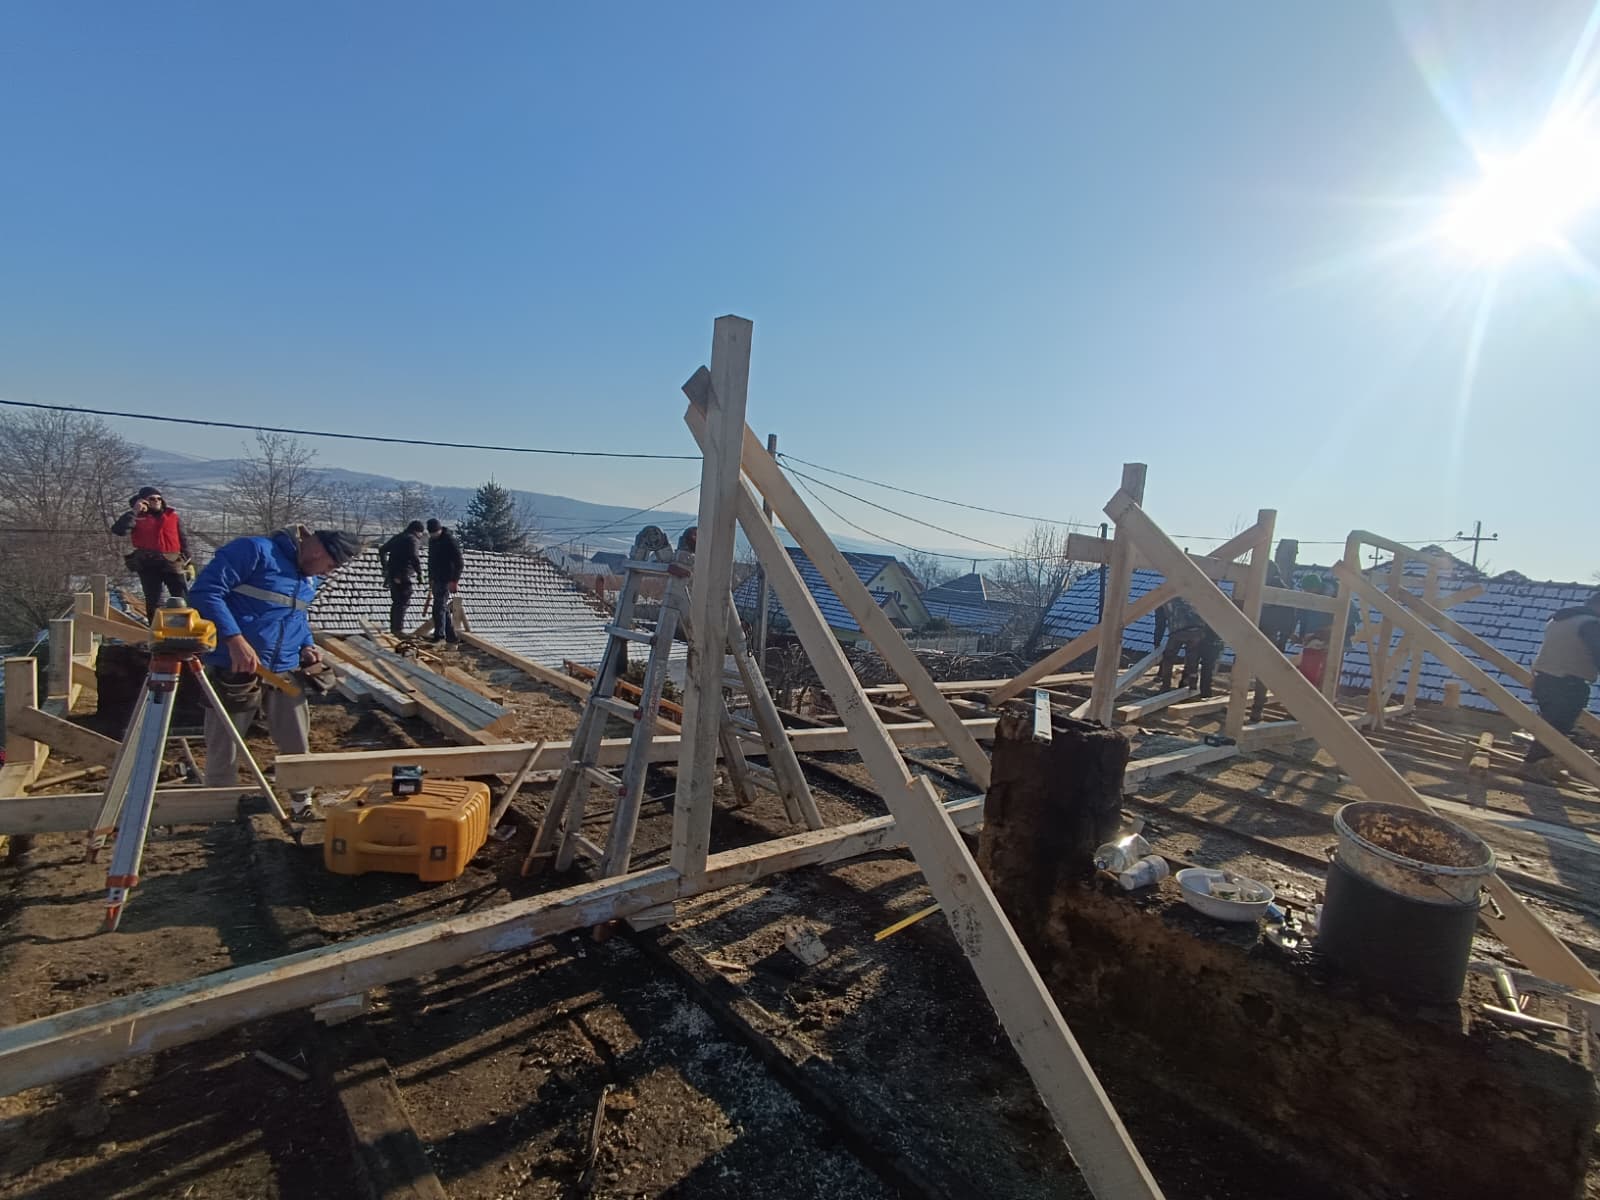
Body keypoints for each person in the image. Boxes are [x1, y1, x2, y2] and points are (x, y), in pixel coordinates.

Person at [189, 524, 362, 819]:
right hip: (236, 667)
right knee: (225, 742)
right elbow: (205, 593)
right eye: (330, 565)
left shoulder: (309, 579)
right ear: (318, 550)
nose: (327, 573)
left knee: (296, 738)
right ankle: (219, 808)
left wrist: (306, 645)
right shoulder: (255, 551)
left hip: (284, 670)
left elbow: (296, 616)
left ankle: (302, 803)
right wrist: (235, 640)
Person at [1522, 590, 1600, 780]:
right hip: (1567, 683)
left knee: (1552, 726)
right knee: (1555, 729)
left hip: (1544, 680)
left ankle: (1545, 765)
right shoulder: (1590, 624)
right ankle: (1532, 766)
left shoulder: (1560, 619)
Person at [110, 487, 193, 620]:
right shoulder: (137, 516)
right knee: (154, 600)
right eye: (152, 499)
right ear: (143, 501)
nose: (156, 501)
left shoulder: (172, 516)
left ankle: (185, 627)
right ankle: (156, 629)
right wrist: (135, 511)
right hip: (148, 562)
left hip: (172, 560)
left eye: (159, 498)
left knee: (181, 597)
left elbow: (183, 540)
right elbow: (119, 530)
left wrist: (189, 562)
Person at [1155, 595, 1223, 698]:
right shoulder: (1187, 594)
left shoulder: (1161, 602)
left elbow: (1160, 625)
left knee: (1168, 657)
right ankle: (1191, 684)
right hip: (1197, 630)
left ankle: (1165, 686)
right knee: (1192, 655)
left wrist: (1157, 642)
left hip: (1178, 630)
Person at [377, 520, 426, 636]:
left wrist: (385, 568)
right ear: (417, 531)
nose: (421, 536)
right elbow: (414, 557)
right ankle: (398, 629)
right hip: (403, 574)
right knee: (403, 600)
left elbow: (382, 550)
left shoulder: (398, 537)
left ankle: (394, 628)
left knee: (397, 601)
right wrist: (420, 573)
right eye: (421, 533)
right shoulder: (413, 540)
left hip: (392, 574)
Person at [426, 518, 464, 643]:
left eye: (435, 532)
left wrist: (454, 580)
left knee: (438, 607)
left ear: (440, 529)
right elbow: (431, 561)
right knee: (442, 607)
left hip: (447, 578)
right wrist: (430, 577)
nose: (433, 535)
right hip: (436, 578)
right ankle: (451, 636)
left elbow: (459, 562)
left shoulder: (449, 541)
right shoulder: (432, 541)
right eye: (431, 533)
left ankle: (439, 636)